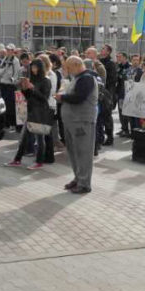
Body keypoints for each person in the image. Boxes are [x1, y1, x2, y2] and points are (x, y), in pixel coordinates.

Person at [56, 57, 98, 194]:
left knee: (83, 153)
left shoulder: (87, 78)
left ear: (76, 65)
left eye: (68, 68)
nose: (67, 71)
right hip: (72, 122)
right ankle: (78, 178)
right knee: (74, 152)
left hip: (81, 122)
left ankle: (84, 183)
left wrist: (62, 98)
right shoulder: (78, 78)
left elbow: (79, 97)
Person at [7, 59, 53, 169]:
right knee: (24, 137)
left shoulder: (46, 80)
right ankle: (17, 159)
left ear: (40, 68)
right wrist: (23, 88)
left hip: (40, 111)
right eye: (32, 67)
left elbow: (44, 98)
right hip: (32, 110)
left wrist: (33, 88)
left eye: (36, 67)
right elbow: (29, 96)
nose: (33, 69)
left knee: (40, 137)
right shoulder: (33, 79)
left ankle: (39, 161)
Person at [0, 45, 21, 133]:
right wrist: (5, 68)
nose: (8, 51)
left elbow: (16, 73)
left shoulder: (15, 60)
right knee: (3, 104)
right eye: (7, 50)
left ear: (12, 51)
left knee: (10, 105)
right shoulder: (5, 59)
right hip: (3, 84)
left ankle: (12, 124)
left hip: (10, 85)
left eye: (9, 50)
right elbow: (0, 70)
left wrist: (13, 80)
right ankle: (5, 124)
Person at [99, 44, 118, 145]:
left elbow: (112, 79)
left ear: (108, 52)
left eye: (103, 49)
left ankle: (110, 137)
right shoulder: (100, 62)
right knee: (100, 117)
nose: (101, 50)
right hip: (100, 92)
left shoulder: (111, 63)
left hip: (107, 94)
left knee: (107, 116)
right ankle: (101, 136)